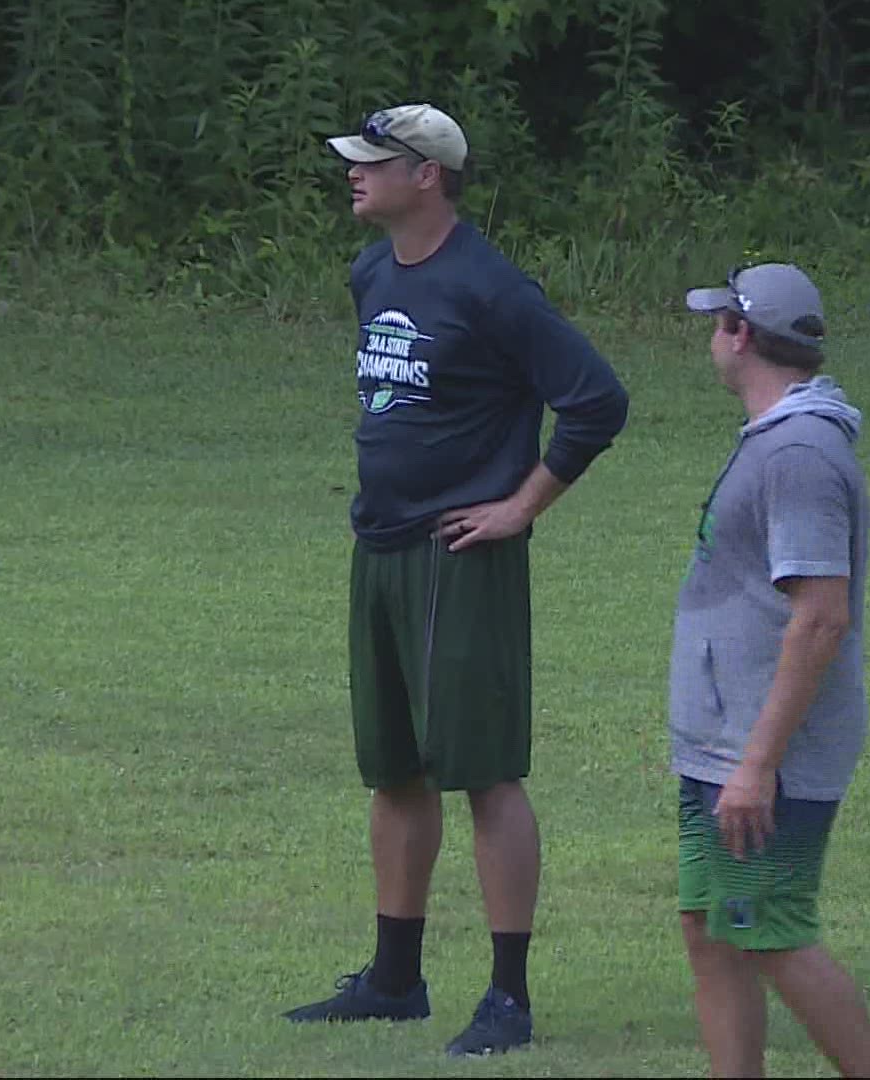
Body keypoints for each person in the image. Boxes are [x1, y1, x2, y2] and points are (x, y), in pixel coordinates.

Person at [282, 103, 630, 1059]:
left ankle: (508, 997)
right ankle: (395, 978)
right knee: (395, 771)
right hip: (382, 544)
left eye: (372, 162)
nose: (353, 174)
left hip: (459, 559)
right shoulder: (373, 270)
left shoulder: (492, 287)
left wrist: (521, 506)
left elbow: (597, 400)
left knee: (482, 771)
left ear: (425, 175)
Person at [669, 263, 870, 1078]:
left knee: (772, 932)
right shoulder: (777, 439)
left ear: (740, 334)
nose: (711, 335)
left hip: (765, 754)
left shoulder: (798, 454)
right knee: (711, 924)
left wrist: (757, 765)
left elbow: (821, 615)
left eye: (717, 320)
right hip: (725, 744)